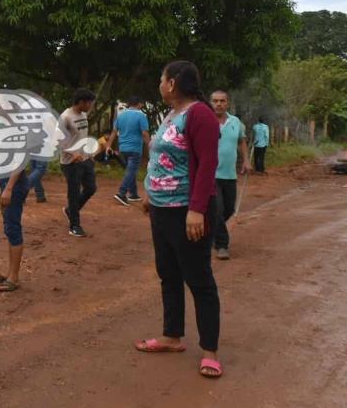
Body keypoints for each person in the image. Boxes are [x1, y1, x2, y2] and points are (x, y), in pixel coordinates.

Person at [135, 60, 223, 379]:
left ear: (172, 83)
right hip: (161, 209)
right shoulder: (171, 115)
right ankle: (172, 336)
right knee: (168, 274)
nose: (159, 84)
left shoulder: (200, 114)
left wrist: (197, 209)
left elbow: (208, 164)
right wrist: (148, 192)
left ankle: (210, 351)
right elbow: (160, 157)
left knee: (199, 280)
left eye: (162, 79)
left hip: (188, 211)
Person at [210, 91, 250, 261]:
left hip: (229, 174)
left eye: (222, 101)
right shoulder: (205, 120)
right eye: (215, 101)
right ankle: (222, 245)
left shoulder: (235, 122)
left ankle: (212, 232)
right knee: (218, 209)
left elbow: (241, 141)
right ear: (210, 102)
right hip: (210, 174)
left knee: (229, 210)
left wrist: (246, 160)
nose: (219, 104)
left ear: (228, 103)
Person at [60, 89, 97, 238]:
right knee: (74, 193)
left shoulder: (84, 115)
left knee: (91, 188)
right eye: (88, 102)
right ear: (81, 102)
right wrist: (72, 152)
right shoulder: (65, 117)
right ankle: (74, 225)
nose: (90, 105)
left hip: (85, 159)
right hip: (71, 162)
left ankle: (71, 211)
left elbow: (83, 136)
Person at [0, 168, 29, 292]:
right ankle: (10, 273)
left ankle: (13, 278)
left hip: (13, 184)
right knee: (10, 229)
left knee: (12, 228)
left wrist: (9, 188)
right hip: (7, 182)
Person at [106, 95, 150, 205]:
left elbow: (114, 132)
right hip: (135, 148)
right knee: (131, 171)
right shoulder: (141, 116)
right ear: (139, 104)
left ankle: (133, 194)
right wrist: (151, 146)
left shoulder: (121, 116)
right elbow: (144, 133)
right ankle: (121, 193)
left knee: (131, 170)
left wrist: (108, 146)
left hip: (123, 148)